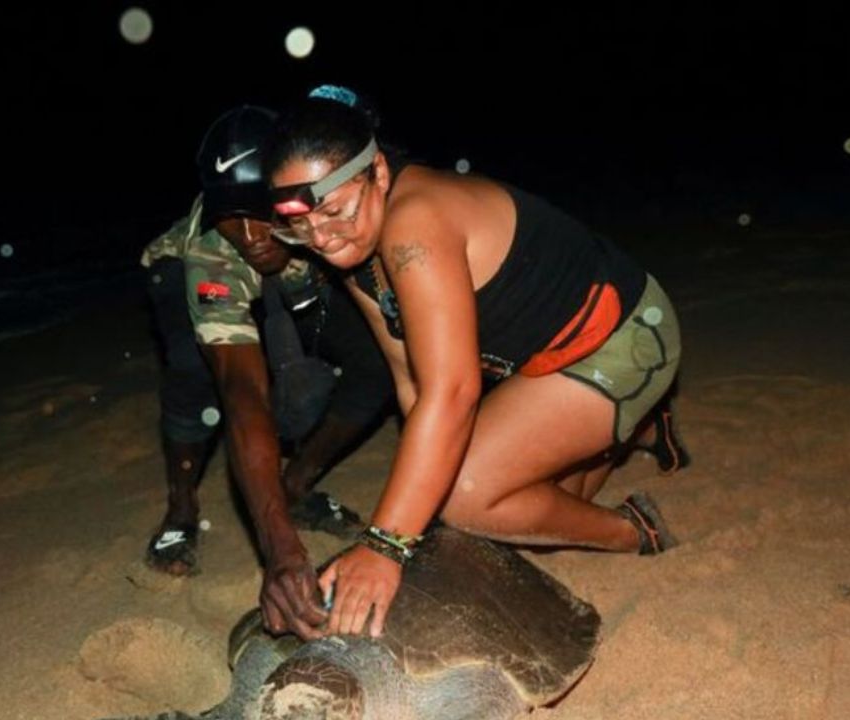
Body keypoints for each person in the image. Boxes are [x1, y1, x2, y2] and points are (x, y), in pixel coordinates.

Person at [264, 91, 687, 639]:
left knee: (467, 493)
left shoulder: (415, 225)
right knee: (520, 514)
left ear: (380, 173)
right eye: (298, 227)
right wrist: (414, 519)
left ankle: (635, 530)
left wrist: (386, 542)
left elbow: (454, 394)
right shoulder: (354, 251)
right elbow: (412, 382)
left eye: (335, 211)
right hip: (539, 364)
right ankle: (633, 429)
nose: (320, 238)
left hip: (623, 339)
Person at [141, 106, 395, 639]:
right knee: (196, 376)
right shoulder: (218, 245)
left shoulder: (321, 215)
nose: (253, 234)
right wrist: (279, 548)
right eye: (232, 215)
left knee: (377, 360)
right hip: (186, 271)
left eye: (262, 213)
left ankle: (297, 482)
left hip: (303, 257)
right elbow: (242, 391)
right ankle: (181, 509)